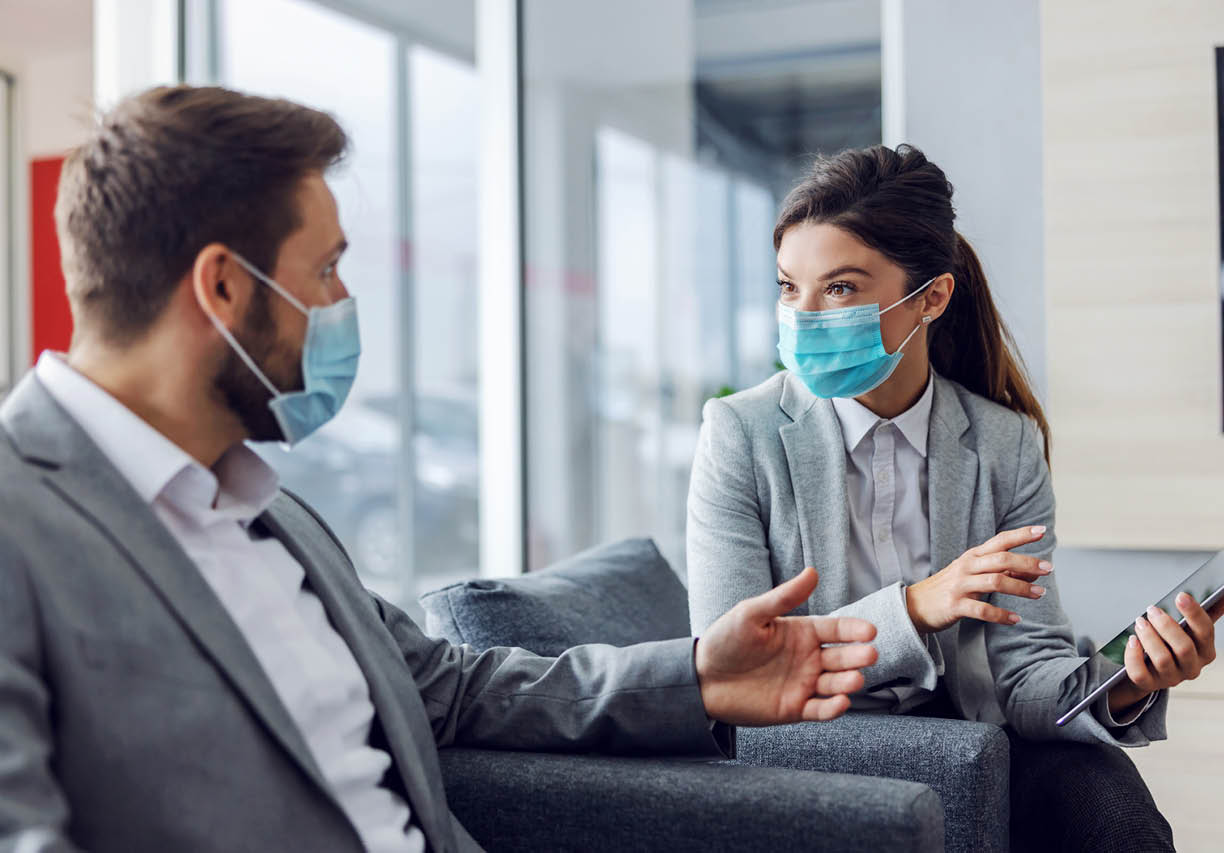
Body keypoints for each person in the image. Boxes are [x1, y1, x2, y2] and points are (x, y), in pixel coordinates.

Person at [0, 86, 880, 853]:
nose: (343, 305)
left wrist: (695, 675)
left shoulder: (269, 510)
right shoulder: (21, 521)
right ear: (223, 288)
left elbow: (450, 686)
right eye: (328, 268)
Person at [685, 144, 1222, 852]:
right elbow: (737, 672)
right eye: (790, 287)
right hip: (806, 744)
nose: (804, 315)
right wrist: (915, 606)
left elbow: (1025, 673)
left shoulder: (1005, 445)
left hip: (974, 735)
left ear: (931, 297)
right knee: (959, 766)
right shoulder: (739, 435)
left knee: (1112, 808)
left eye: (839, 288)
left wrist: (1125, 684)